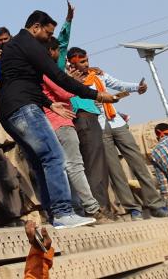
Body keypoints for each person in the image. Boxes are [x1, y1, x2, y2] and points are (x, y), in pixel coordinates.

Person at [0, 10, 119, 228]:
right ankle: (63, 212)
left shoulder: (13, 47)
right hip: (25, 109)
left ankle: (53, 215)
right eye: (47, 33)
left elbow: (20, 81)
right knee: (54, 157)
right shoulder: (30, 43)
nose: (48, 40)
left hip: (9, 111)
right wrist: (96, 94)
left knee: (40, 162)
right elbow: (59, 77)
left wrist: (48, 103)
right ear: (35, 27)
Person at [41, 2, 111, 224]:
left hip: (60, 120)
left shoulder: (42, 67)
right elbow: (63, 90)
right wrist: (76, 85)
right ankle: (94, 209)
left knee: (70, 165)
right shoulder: (51, 68)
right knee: (81, 165)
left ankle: (79, 209)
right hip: (67, 119)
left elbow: (61, 41)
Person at [80, 60, 168, 219]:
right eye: (81, 62)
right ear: (72, 64)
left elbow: (117, 84)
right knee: (116, 172)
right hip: (99, 126)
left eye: (86, 60)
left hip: (116, 121)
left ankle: (156, 205)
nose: (85, 64)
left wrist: (137, 87)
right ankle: (133, 208)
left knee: (138, 163)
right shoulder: (71, 81)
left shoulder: (96, 74)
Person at [65, 47, 114, 217]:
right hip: (84, 118)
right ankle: (100, 209)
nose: (87, 65)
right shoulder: (68, 77)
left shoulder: (86, 75)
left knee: (92, 165)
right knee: (95, 166)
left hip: (85, 119)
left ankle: (98, 207)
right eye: (83, 62)